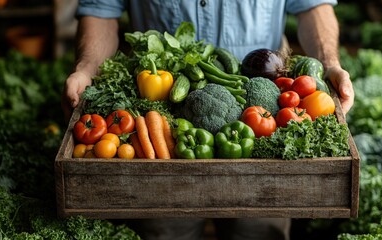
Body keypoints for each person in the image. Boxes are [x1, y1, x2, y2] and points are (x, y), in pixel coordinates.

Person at [61, 1, 355, 240]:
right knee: (164, 232)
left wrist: (330, 64)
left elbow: (314, 5)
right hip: (167, 129)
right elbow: (101, 8)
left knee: (259, 232)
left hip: (263, 122)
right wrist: (86, 69)